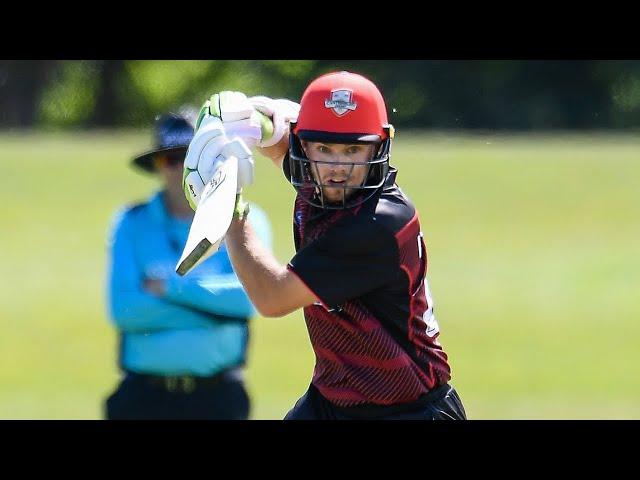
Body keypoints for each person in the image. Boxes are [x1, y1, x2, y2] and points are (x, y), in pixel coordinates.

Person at [183, 72, 467, 420]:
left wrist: (230, 207)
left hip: (406, 410)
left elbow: (272, 297)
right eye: (324, 149)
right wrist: (252, 122)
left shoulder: (377, 223)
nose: (337, 167)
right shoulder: (326, 186)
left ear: (377, 149)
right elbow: (280, 144)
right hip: (334, 399)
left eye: (353, 149)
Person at [104, 112, 272, 420]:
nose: (182, 168)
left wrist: (170, 288)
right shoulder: (131, 222)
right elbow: (125, 309)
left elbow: (250, 300)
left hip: (218, 397)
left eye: (190, 156)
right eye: (170, 159)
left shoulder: (246, 220)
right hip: (142, 397)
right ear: (157, 166)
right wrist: (216, 313)